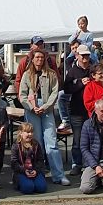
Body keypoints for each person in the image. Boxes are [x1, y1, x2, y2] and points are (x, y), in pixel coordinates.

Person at [17, 48, 66, 185]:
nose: (39, 59)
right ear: (32, 59)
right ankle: (38, 173)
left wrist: (45, 107)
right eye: (37, 57)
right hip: (32, 109)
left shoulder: (51, 74)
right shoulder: (27, 74)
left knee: (51, 142)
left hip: (47, 109)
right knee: (35, 142)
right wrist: (31, 107)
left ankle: (59, 175)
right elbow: (22, 94)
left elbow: (54, 93)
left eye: (42, 57)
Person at [11, 124, 48, 195]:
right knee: (28, 188)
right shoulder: (16, 145)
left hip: (34, 170)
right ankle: (22, 183)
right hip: (21, 172)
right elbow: (14, 163)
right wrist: (24, 170)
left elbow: (40, 160)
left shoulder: (36, 144)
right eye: (27, 132)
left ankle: (34, 182)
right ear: (21, 133)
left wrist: (36, 170)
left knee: (41, 188)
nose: (30, 134)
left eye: (31, 132)